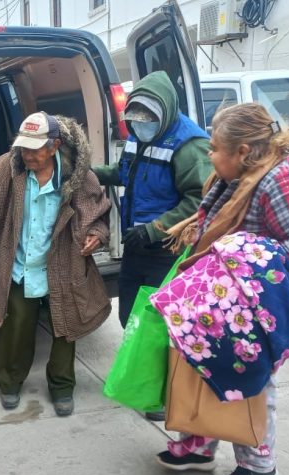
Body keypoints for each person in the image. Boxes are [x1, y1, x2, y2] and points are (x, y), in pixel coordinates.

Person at [155, 102, 289, 475]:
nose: (209, 154)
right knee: (204, 371)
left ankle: (258, 464)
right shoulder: (238, 176)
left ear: (241, 151)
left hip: (260, 309)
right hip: (225, 303)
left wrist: (246, 270)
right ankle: (199, 448)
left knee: (250, 384)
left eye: (215, 148)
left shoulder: (280, 181)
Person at [0, 112, 111, 416]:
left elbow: (98, 214)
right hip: (20, 266)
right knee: (16, 328)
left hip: (63, 265)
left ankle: (62, 387)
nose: (27, 155)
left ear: (54, 146)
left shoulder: (78, 176)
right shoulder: (6, 170)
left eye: (35, 149)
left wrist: (97, 235)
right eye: (23, 148)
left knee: (66, 330)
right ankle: (9, 383)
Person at [93, 71, 213, 422]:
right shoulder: (138, 136)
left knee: (162, 324)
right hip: (137, 245)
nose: (140, 126)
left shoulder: (190, 146)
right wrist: (95, 173)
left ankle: (164, 395)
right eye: (134, 120)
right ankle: (145, 383)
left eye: (147, 120)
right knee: (130, 315)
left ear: (165, 112)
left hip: (168, 249)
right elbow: (127, 171)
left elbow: (199, 199)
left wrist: (155, 230)